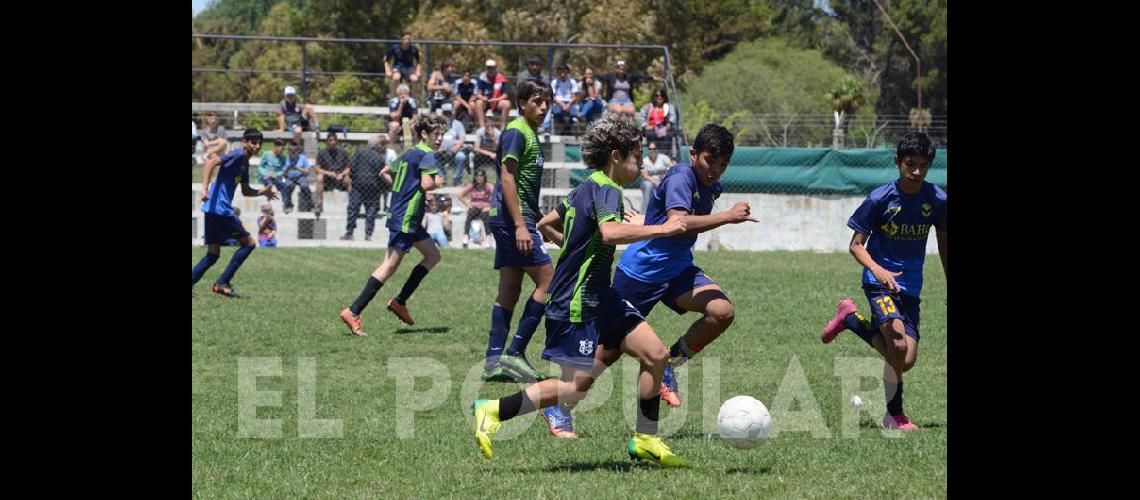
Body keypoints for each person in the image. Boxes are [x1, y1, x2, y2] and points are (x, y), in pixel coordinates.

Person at [473, 114, 688, 466]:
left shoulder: (586, 185)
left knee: (655, 354)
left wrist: (574, 246)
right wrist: (662, 229)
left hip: (602, 296)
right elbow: (610, 234)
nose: (641, 164)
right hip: (578, 300)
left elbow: (546, 224)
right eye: (637, 156)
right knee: (574, 387)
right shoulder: (606, 188)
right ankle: (494, 410)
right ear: (616, 156)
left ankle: (646, 438)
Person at [612, 124, 757, 410]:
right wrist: (727, 216)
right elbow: (678, 222)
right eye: (709, 161)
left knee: (721, 312)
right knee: (607, 351)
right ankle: (559, 402)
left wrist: (648, 218)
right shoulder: (681, 176)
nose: (714, 170)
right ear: (693, 155)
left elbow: (666, 215)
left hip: (678, 269)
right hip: (642, 272)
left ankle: (669, 364)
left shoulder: (712, 185)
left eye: (722, 164)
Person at [819, 132, 946, 431]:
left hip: (911, 287)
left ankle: (850, 318)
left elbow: (944, 245)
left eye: (922, 166)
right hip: (879, 282)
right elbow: (855, 245)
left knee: (906, 359)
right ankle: (895, 415)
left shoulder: (937, 200)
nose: (915, 172)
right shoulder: (879, 198)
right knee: (898, 345)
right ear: (897, 163)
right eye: (909, 164)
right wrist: (878, 270)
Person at [339, 115, 450, 335]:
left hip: (407, 216)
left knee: (433, 255)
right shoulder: (427, 154)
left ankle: (400, 301)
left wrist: (403, 192)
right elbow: (428, 183)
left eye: (442, 135)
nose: (439, 139)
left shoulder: (410, 153)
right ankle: (353, 311)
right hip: (407, 219)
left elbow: (386, 173)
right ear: (424, 134)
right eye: (436, 135)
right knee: (389, 266)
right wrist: (436, 183)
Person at [480, 79, 554, 384]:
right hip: (512, 220)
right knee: (549, 280)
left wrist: (537, 221)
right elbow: (507, 179)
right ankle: (516, 352)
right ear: (522, 103)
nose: (544, 107)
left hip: (514, 217)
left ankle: (494, 360)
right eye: (537, 101)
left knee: (510, 287)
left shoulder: (530, 135)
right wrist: (522, 225)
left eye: (547, 101)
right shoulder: (516, 132)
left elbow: (523, 186)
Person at [191, 129, 279, 298]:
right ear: (245, 142)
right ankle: (222, 283)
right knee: (249, 243)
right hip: (220, 210)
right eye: (253, 142)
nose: (257, 146)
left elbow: (245, 191)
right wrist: (205, 189)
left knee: (213, 254)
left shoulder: (244, 163)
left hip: (213, 210)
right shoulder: (237, 155)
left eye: (259, 143)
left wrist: (262, 192)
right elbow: (210, 162)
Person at [343, 135, 388, 241]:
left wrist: (344, 175)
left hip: (358, 185)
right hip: (372, 187)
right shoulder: (379, 158)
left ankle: (350, 233)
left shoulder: (359, 153)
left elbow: (351, 167)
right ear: (377, 145)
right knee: (371, 211)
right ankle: (368, 234)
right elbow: (381, 174)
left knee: (353, 209)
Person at [314, 130, 351, 217]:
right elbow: (317, 169)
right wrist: (329, 173)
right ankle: (319, 204)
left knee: (348, 179)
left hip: (340, 178)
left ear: (337, 141)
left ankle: (352, 204)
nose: (332, 142)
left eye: (334, 140)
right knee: (319, 177)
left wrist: (342, 174)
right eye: (330, 140)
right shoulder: (322, 153)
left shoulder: (343, 152)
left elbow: (349, 168)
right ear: (327, 142)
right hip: (327, 179)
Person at [473, 59, 512, 132]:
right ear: (486, 68)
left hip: (497, 102)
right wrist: (483, 98)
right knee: (478, 102)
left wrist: (495, 100)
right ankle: (482, 128)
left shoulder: (501, 78)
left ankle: (503, 129)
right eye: (488, 68)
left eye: (492, 68)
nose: (490, 70)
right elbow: (478, 93)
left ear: (495, 68)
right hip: (486, 102)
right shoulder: (482, 77)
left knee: (507, 103)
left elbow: (505, 95)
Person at [458, 168, 493, 248]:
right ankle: (466, 236)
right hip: (474, 206)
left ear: (484, 177)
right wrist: (467, 204)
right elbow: (460, 195)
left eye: (481, 175)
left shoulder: (488, 186)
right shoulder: (472, 186)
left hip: (485, 207)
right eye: (477, 175)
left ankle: (488, 237)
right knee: (469, 215)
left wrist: (490, 207)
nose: (479, 177)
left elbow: (496, 197)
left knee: (486, 216)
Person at [639, 142, 675, 213]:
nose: (652, 150)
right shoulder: (645, 161)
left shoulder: (663, 158)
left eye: (654, 148)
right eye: (650, 149)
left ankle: (668, 210)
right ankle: (644, 213)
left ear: (657, 149)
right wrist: (654, 182)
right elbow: (645, 175)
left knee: (669, 184)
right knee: (648, 185)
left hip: (662, 181)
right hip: (649, 182)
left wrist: (665, 176)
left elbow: (672, 167)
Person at [384, 31, 422, 98]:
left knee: (415, 79)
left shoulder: (414, 49)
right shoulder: (394, 48)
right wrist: (388, 71)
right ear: (401, 40)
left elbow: (419, 61)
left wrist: (418, 71)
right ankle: (394, 98)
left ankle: (413, 99)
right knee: (396, 78)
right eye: (405, 39)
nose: (407, 41)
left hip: (409, 67)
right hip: (398, 67)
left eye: (408, 39)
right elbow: (386, 60)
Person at [280, 140, 314, 214]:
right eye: (290, 151)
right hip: (287, 178)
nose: (292, 153)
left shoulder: (303, 158)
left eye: (294, 151)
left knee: (304, 185)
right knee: (286, 184)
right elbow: (282, 174)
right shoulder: (285, 159)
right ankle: (288, 204)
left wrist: (297, 168)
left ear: (298, 151)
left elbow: (308, 171)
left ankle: (310, 204)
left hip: (300, 177)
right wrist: (287, 170)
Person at [639, 88, 677, 152]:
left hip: (664, 129)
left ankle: (664, 154)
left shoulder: (669, 107)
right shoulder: (648, 107)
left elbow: (673, 116)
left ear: (664, 97)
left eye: (661, 95)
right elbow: (642, 116)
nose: (659, 97)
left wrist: (669, 123)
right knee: (650, 134)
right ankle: (653, 154)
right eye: (657, 96)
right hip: (651, 129)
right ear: (654, 97)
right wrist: (645, 125)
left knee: (668, 134)